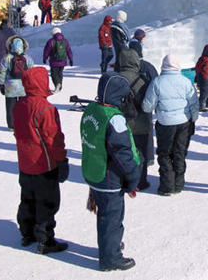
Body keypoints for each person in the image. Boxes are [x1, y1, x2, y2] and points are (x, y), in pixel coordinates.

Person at [80, 72, 141, 272]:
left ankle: (110, 245)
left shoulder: (92, 109)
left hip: (94, 171)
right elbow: (122, 153)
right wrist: (133, 177)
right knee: (112, 218)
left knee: (106, 216)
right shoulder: (114, 119)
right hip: (109, 178)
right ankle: (110, 258)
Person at [13, 66, 69, 254]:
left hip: (25, 162)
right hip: (44, 164)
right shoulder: (45, 108)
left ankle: (27, 233)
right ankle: (45, 240)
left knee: (27, 198)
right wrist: (62, 161)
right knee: (47, 202)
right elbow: (54, 139)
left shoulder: (19, 105)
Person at [142, 54, 199, 196]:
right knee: (179, 152)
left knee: (165, 153)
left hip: (165, 123)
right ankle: (179, 184)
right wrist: (193, 118)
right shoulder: (185, 81)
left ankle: (167, 187)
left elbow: (147, 107)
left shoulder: (157, 82)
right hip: (183, 122)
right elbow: (194, 102)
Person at [117, 49, 157, 191]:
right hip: (141, 123)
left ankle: (123, 179)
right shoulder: (142, 81)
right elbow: (147, 103)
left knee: (122, 151)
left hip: (119, 124)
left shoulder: (114, 79)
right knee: (140, 152)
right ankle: (140, 181)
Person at [0, 36, 35, 129]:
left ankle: (12, 125)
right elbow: (32, 72)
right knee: (24, 107)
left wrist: (1, 84)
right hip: (24, 85)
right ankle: (24, 123)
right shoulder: (27, 58)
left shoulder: (7, 58)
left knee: (10, 107)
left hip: (10, 86)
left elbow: (2, 71)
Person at [42, 27, 73, 92]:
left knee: (54, 74)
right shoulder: (65, 41)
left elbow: (46, 51)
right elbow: (69, 50)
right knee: (60, 73)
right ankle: (60, 86)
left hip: (54, 61)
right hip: (63, 60)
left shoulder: (51, 41)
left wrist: (45, 58)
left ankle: (57, 84)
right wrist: (71, 59)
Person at [194, 44, 208, 111]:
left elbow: (197, 67)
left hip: (203, 77)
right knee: (205, 92)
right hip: (205, 78)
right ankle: (201, 106)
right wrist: (205, 78)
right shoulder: (207, 60)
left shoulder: (202, 58)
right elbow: (205, 70)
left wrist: (197, 76)